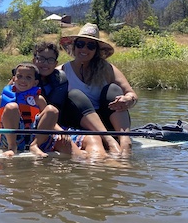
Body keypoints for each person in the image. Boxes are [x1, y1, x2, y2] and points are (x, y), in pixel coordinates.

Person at [0, 62, 107, 159]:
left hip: (33, 135)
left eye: (28, 77)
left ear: (35, 82)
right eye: (19, 76)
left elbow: (50, 121)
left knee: (52, 110)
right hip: (12, 138)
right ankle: (12, 147)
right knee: (11, 107)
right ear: (14, 79)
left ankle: (35, 145)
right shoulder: (4, 99)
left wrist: (61, 132)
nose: (23, 80)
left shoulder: (38, 99)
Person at [59, 23, 139, 155]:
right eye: (80, 44)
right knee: (74, 95)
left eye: (90, 46)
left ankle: (125, 140)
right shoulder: (62, 71)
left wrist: (128, 100)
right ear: (74, 47)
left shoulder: (107, 69)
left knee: (113, 89)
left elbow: (132, 94)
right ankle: (110, 141)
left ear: (96, 51)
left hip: (107, 122)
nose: (84, 49)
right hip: (80, 122)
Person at [33, 41, 122, 154]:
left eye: (50, 60)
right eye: (41, 59)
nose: (45, 63)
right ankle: (97, 164)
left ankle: (110, 165)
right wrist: (60, 131)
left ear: (55, 63)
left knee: (93, 139)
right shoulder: (23, 81)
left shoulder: (59, 78)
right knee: (73, 148)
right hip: (37, 130)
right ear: (34, 60)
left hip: (60, 127)